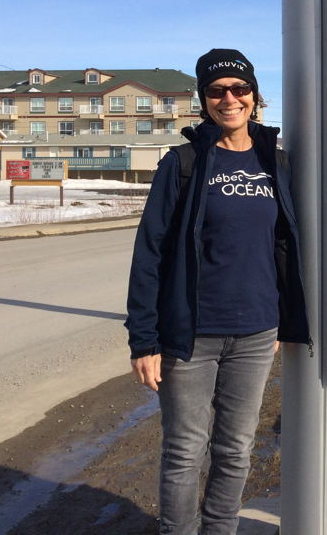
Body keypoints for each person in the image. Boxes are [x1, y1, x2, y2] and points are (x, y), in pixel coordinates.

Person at [125, 48, 309, 535]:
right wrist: (144, 341)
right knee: (185, 451)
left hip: (255, 333)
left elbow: (282, 245)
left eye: (239, 89)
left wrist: (282, 315)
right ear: (203, 100)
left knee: (235, 450)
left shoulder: (277, 162)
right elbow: (150, 253)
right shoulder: (182, 164)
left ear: (254, 95)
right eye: (216, 91)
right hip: (191, 336)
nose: (229, 99)